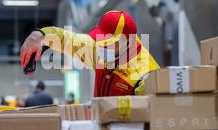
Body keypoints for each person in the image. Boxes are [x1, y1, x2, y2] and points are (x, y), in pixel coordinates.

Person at [20, 11, 160, 97]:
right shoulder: (101, 51)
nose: (100, 46)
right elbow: (68, 40)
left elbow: (152, 118)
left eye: (107, 43)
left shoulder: (146, 76)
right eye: (100, 40)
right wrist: (40, 35)